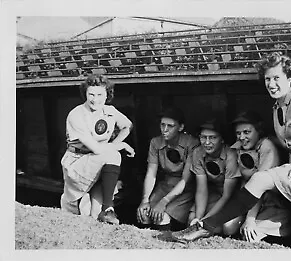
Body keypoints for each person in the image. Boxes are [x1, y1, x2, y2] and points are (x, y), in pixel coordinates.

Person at [171, 52, 291, 249]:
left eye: (276, 78)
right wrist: (248, 142)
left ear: (290, 78)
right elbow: (288, 139)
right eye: (267, 79)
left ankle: (205, 226)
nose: (271, 84)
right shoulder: (279, 104)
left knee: (260, 179)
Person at [60, 74, 135, 225]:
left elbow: (127, 126)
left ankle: (104, 211)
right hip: (78, 164)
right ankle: (108, 209)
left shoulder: (110, 111)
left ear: (107, 94)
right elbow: (96, 149)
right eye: (91, 94)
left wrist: (116, 141)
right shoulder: (77, 114)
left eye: (100, 94)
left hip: (100, 164)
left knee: (95, 215)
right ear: (85, 94)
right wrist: (121, 145)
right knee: (113, 155)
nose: (95, 99)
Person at [229, 110, 291, 246]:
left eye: (247, 132)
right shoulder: (239, 147)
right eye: (238, 133)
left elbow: (260, 187)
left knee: (250, 237)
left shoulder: (267, 147)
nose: (241, 137)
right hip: (248, 201)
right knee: (228, 227)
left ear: (258, 131)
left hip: (272, 204)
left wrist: (250, 220)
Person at [136, 107, 199, 231]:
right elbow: (151, 173)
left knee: (161, 217)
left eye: (170, 126)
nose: (165, 129)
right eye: (162, 125)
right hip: (164, 185)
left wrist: (163, 202)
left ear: (180, 127)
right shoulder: (155, 142)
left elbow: (185, 180)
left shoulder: (192, 144)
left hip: (185, 189)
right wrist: (145, 199)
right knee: (145, 215)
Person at [187, 119, 242, 236]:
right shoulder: (198, 152)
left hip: (232, 198)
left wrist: (205, 221)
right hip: (214, 195)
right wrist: (199, 218)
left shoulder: (230, 155)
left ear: (222, 139)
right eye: (203, 137)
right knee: (191, 219)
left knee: (228, 228)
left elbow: (227, 195)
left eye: (212, 138)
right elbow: (201, 190)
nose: (207, 142)